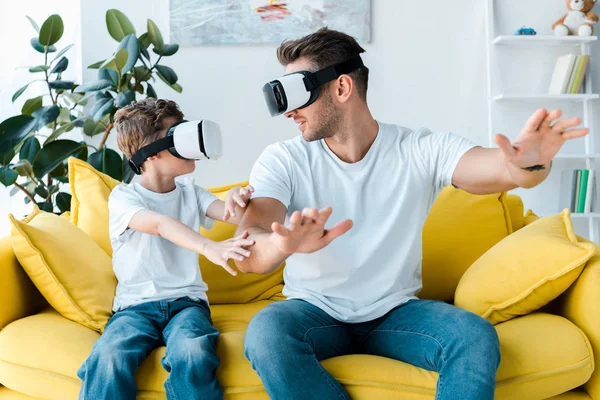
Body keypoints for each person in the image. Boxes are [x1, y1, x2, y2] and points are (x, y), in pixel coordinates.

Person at [236, 28, 589, 400]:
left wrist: (528, 164)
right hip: (313, 312)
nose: (289, 111)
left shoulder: (417, 149)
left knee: (473, 336)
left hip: (394, 314)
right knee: (266, 335)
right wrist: (282, 244)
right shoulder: (283, 159)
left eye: (298, 94)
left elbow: (497, 169)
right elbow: (250, 249)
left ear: (342, 88)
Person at [77, 98, 255, 400]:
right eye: (177, 134)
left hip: (187, 304)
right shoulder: (123, 198)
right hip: (134, 308)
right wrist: (208, 247)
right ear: (152, 154)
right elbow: (159, 223)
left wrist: (238, 198)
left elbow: (230, 213)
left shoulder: (191, 192)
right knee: (109, 356)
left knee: (193, 351)